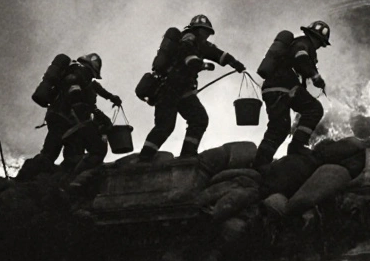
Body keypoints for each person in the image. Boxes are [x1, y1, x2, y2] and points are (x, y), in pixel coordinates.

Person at [138, 15, 245, 161]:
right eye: (205, 31)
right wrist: (203, 65)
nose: (206, 35)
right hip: (168, 89)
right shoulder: (188, 38)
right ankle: (144, 158)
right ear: (197, 29)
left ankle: (187, 155)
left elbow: (218, 54)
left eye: (208, 33)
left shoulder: (201, 45)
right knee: (165, 126)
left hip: (182, 91)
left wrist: (235, 63)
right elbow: (188, 56)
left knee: (198, 119)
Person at [253, 21, 330, 169]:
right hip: (284, 89)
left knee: (279, 128)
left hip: (274, 89)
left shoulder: (295, 44)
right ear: (316, 39)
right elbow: (301, 59)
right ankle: (296, 147)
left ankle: (260, 165)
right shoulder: (303, 44)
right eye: (321, 43)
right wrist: (316, 77)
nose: (319, 47)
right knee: (314, 109)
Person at [38, 53, 121, 173]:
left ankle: (59, 178)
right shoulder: (77, 74)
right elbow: (75, 95)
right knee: (51, 153)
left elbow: (94, 87)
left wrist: (111, 97)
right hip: (63, 118)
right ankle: (29, 178)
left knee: (70, 154)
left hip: (65, 120)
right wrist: (90, 116)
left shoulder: (81, 76)